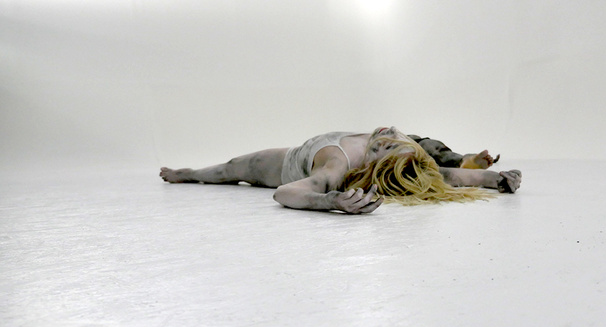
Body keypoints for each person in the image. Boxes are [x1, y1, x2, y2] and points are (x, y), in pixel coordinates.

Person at [159, 126, 522, 214]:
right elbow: (446, 174)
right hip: (297, 152)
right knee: (424, 146)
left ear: (378, 155)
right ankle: (189, 173)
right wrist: (494, 178)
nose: (392, 132)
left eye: (390, 142)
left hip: (280, 166)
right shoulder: (391, 142)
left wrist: (330, 200)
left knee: (230, 170)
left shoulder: (338, 164)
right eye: (395, 138)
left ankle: (188, 173)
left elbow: (284, 192)